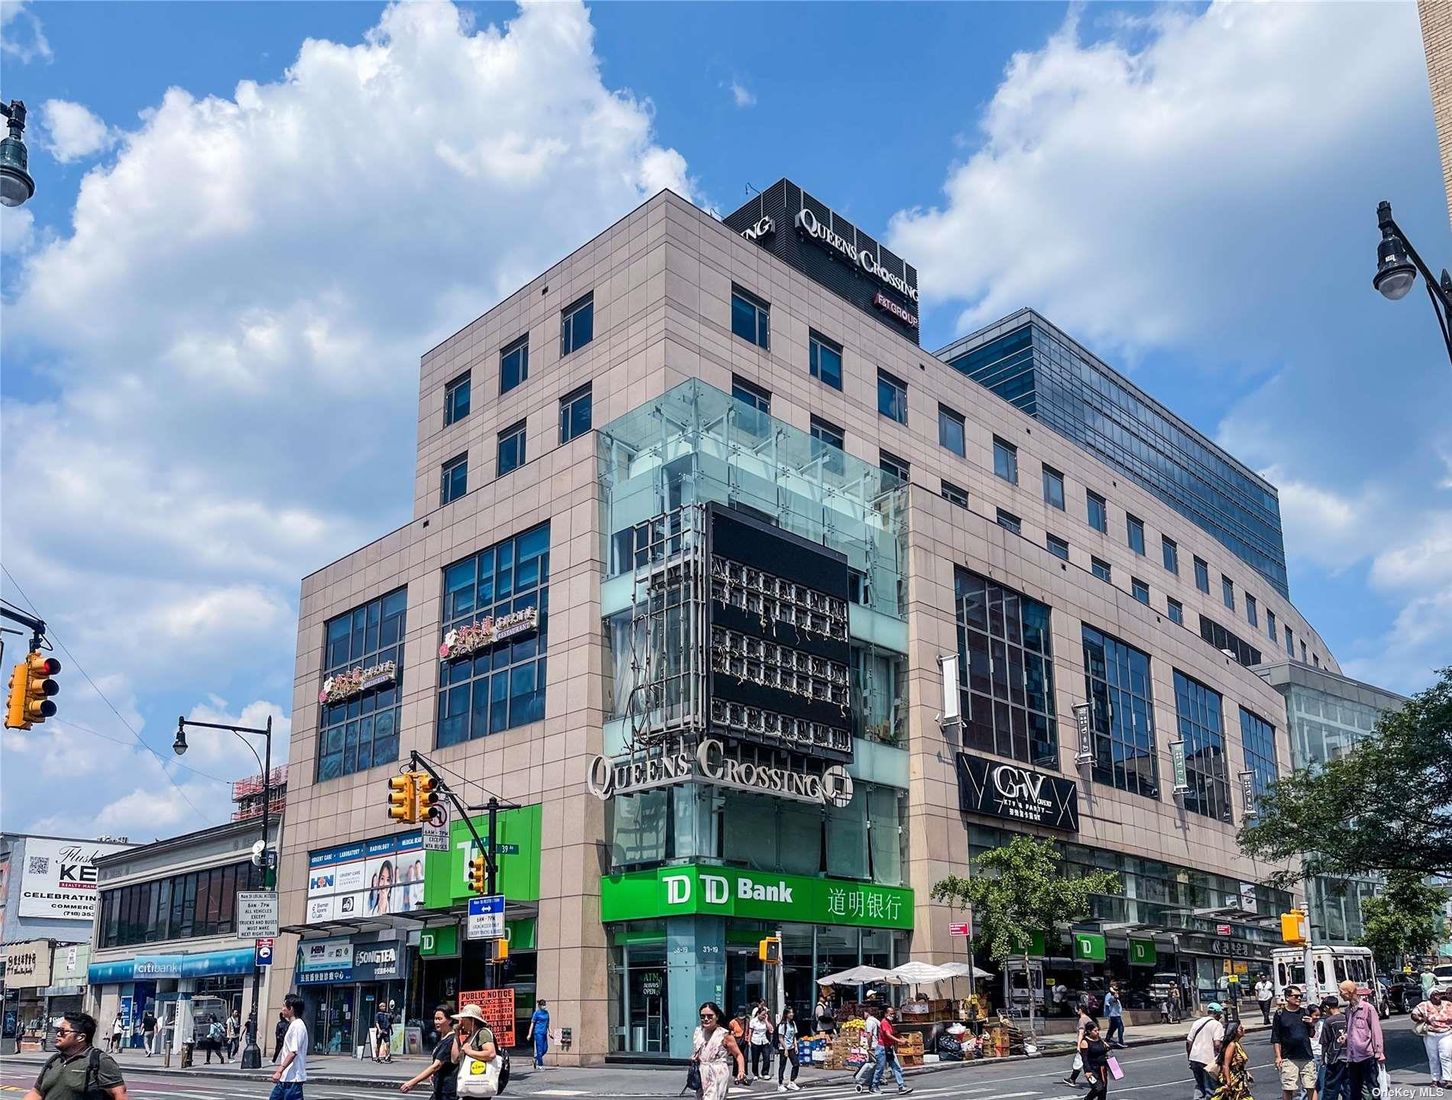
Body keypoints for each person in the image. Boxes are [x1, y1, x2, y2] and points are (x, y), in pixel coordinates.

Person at [25, 1012, 127, 1100]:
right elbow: (36, 1093)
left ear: (80, 1037)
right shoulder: (54, 1060)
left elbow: (119, 1095)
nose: (58, 1034)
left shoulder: (99, 1061)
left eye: (63, 1031)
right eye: (57, 1031)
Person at [691, 1000, 747, 1100]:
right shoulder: (698, 1032)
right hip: (702, 1072)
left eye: (710, 1016)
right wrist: (695, 1058)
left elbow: (738, 1055)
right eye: (703, 1016)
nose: (706, 1019)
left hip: (717, 1072)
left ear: (717, 1016)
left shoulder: (725, 1035)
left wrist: (741, 1071)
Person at [1338, 979, 1383, 1100]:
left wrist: (1379, 1052)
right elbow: (1350, 1030)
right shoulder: (1348, 1010)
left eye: (1341, 991)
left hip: (1367, 1055)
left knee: (1372, 1086)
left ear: (1350, 992)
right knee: (1354, 1089)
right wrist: (1345, 1037)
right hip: (1352, 1056)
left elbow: (1376, 1030)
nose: (1340, 994)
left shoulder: (1368, 1008)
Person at [1272, 986, 1318, 1100]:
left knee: (1311, 1086)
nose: (1299, 998)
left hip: (1306, 1056)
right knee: (1288, 1087)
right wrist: (1278, 1056)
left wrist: (1311, 1024)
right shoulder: (1280, 1014)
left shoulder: (1304, 1012)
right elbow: (1276, 1037)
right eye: (1296, 996)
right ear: (1287, 997)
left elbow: (1312, 1034)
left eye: (1301, 996)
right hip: (1288, 1057)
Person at [400, 1006, 456, 1098]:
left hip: (446, 1092)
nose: (436, 1022)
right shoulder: (443, 1039)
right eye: (435, 1019)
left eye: (440, 1019)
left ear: (450, 1020)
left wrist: (412, 1083)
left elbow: (436, 1065)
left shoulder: (449, 1040)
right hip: (440, 1089)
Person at [1410, 987, 1452, 1088]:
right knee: (1433, 1058)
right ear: (1430, 997)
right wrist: (1421, 1019)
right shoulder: (1424, 1005)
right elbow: (1413, 1015)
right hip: (1430, 1035)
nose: (1437, 996)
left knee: (1446, 1056)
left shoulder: (1448, 1004)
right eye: (1434, 994)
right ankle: (1435, 1079)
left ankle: (1448, 1079)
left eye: (1438, 994)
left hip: (1446, 1034)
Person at [270, 993, 308, 1100]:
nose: (282, 1009)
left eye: (284, 1006)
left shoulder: (298, 1026)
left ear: (291, 1008)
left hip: (293, 1079)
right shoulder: (293, 1025)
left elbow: (293, 1052)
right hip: (286, 1079)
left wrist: (279, 1070)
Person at [1185, 1003, 1226, 1100]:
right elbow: (1217, 1044)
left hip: (1194, 1058)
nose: (1220, 1016)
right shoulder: (1217, 1024)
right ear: (1217, 1014)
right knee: (1210, 1087)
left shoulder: (1197, 1022)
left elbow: (1188, 1042)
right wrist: (1221, 1058)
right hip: (1208, 1060)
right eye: (1220, 1014)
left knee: (1200, 1085)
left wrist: (1190, 1057)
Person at [870, 1006, 912, 1095]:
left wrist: (901, 1038)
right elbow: (888, 1034)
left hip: (889, 1048)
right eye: (891, 1014)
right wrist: (899, 1041)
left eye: (893, 1014)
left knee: (896, 1067)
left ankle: (901, 1086)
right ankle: (874, 1086)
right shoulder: (884, 1022)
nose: (892, 1015)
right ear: (886, 1014)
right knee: (880, 1068)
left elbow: (892, 1034)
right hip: (882, 1048)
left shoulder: (889, 1023)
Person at [1212, 1020, 1252, 1100]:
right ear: (1235, 1031)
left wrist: (1246, 1073)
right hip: (1233, 1078)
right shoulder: (1232, 1045)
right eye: (1241, 1028)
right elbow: (1225, 1064)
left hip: (1239, 1078)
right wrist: (1228, 1081)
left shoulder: (1236, 1044)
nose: (1243, 1030)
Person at [1319, 995, 1350, 1100]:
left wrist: (1323, 1059)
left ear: (1327, 1007)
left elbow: (1325, 1042)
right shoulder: (1347, 1018)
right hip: (1349, 1057)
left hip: (1335, 1058)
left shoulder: (1329, 1021)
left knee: (1331, 1088)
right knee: (1348, 1087)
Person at [1063, 1001, 1098, 1087]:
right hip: (1090, 1042)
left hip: (1084, 1044)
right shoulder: (1088, 1018)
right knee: (1087, 1062)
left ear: (1080, 1010)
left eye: (1077, 1009)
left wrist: (1078, 1045)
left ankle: (1073, 1079)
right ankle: (1094, 1080)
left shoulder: (1082, 1020)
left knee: (1079, 1062)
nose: (1076, 1011)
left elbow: (1081, 1033)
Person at [1079, 1020, 1112, 1100]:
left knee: (1103, 1090)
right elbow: (1085, 1058)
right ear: (1089, 1031)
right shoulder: (1085, 1042)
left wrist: (1107, 1047)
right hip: (1092, 1069)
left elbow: (1104, 1050)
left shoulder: (1099, 1040)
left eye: (1098, 1030)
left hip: (1102, 1068)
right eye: (1095, 1031)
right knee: (1098, 1088)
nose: (1097, 1032)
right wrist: (1087, 1071)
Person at [854, 1004, 882, 1093]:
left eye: (864, 1013)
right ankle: (870, 1082)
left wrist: (869, 1046)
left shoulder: (869, 1022)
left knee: (873, 1064)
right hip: (878, 1045)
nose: (863, 1015)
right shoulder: (876, 1021)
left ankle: (861, 1079)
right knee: (875, 1064)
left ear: (867, 1013)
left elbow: (869, 1035)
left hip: (874, 1045)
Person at [775, 1006, 800, 1093]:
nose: (792, 1014)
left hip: (791, 1047)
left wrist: (795, 1046)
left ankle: (792, 1081)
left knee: (796, 1064)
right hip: (783, 1048)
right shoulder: (783, 1024)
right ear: (786, 1014)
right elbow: (780, 1038)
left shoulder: (793, 1023)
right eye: (790, 1013)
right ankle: (780, 1084)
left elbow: (794, 1036)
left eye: (792, 1012)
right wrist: (785, 1049)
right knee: (782, 1066)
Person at [749, 1004, 774, 1080]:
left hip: (764, 1041)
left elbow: (771, 1030)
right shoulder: (753, 1021)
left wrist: (766, 1020)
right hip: (755, 1041)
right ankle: (755, 1074)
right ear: (758, 1014)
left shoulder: (765, 1021)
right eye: (762, 1015)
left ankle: (765, 1073)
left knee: (766, 1057)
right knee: (755, 1059)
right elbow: (750, 1032)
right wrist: (749, 1041)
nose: (763, 1016)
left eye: (765, 1015)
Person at [1103, 984, 1125, 1049]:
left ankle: (1107, 1038)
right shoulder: (1110, 995)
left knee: (1112, 1028)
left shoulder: (1115, 995)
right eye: (1115, 988)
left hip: (1116, 1014)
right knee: (1121, 1027)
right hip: (1114, 1015)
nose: (1117, 990)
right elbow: (1107, 1003)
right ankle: (1120, 1042)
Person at [530, 1000, 550, 1069]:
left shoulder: (546, 1013)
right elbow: (532, 1023)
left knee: (545, 1049)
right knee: (540, 1049)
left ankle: (535, 1058)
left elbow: (547, 1023)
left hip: (544, 1033)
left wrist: (550, 1032)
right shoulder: (536, 1013)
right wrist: (529, 1034)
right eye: (543, 1005)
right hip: (538, 1033)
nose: (544, 1006)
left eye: (545, 1004)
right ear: (539, 1006)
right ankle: (540, 1065)